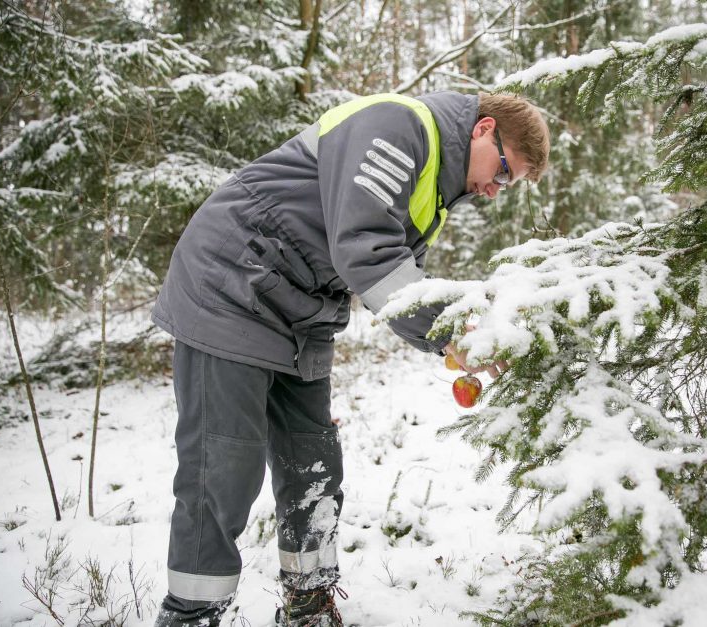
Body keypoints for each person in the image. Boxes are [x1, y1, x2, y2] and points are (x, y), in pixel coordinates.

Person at [150, 91, 550, 626]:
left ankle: (308, 604)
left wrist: (455, 336)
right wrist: (453, 330)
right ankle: (191, 613)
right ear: (483, 130)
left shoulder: (433, 187)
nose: (496, 192)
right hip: (233, 286)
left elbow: (402, 277)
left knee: (313, 462)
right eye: (503, 173)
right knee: (224, 467)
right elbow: (365, 248)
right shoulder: (398, 127)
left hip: (302, 314)